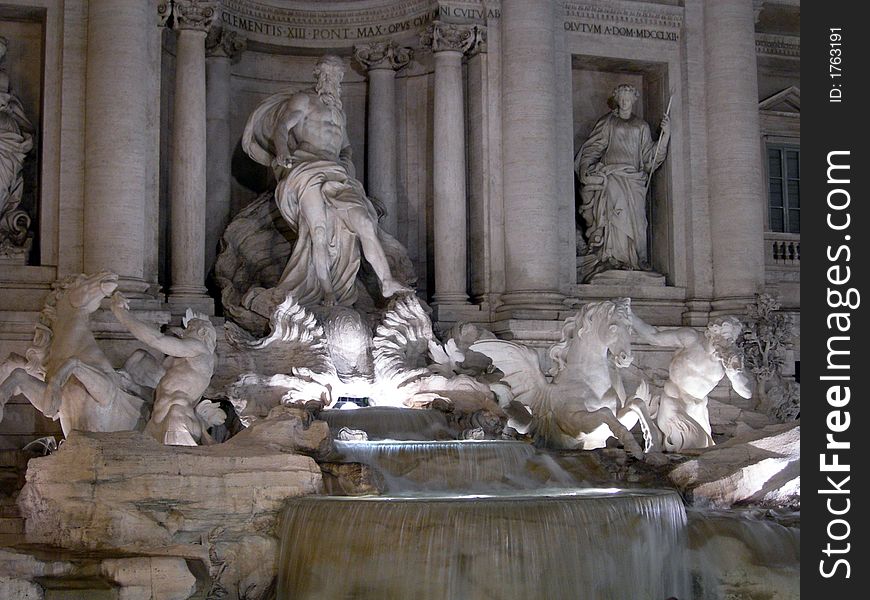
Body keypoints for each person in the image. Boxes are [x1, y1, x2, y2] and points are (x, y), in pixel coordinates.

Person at [242, 55, 409, 307]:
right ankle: (327, 291)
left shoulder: (339, 112)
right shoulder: (303, 100)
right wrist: (282, 151)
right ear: (318, 76)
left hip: (337, 174)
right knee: (317, 231)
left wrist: (347, 164)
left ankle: (386, 281)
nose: (332, 80)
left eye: (337, 76)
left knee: (364, 222)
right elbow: (282, 128)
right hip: (307, 168)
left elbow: (346, 148)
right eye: (328, 75)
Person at [575, 84, 669, 280]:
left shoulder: (641, 126)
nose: (625, 102)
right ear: (617, 100)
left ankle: (634, 259)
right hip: (613, 177)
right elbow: (593, 148)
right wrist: (586, 167)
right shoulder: (608, 122)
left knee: (638, 223)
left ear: (634, 100)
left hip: (635, 180)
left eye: (629, 98)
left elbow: (650, 158)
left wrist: (665, 135)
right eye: (622, 98)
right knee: (616, 216)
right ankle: (612, 258)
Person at [111, 292, 224, 446]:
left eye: (189, 328)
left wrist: (122, 314)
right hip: (156, 423)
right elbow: (161, 394)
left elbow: (156, 339)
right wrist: (132, 386)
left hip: (178, 419)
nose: (184, 332)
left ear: (202, 332)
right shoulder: (183, 364)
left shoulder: (200, 349)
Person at [631, 314, 753, 452]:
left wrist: (734, 373)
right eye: (724, 335)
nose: (727, 341)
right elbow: (654, 337)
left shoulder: (729, 359)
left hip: (698, 409)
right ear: (713, 331)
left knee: (704, 449)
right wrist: (629, 315)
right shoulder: (691, 339)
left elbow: (747, 393)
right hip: (673, 401)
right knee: (694, 445)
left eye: (731, 338)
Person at [0, 36, 34, 254]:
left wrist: (28, 136)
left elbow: (19, 113)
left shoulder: (4, 79)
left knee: (3, 183)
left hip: (8, 138)